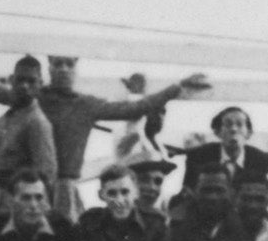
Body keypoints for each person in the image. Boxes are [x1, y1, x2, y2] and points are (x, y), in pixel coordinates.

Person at [38, 56, 210, 222]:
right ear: (49, 67)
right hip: (40, 182)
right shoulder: (36, 99)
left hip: (69, 186)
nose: (63, 69)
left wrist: (174, 89)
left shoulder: (86, 105)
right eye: (58, 63)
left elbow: (135, 110)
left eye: (69, 64)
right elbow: (133, 118)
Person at [0, 52, 60, 192]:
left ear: (40, 84)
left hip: (17, 197)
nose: (24, 86)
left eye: (31, 81)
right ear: (12, 80)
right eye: (20, 80)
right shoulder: (10, 116)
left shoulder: (37, 122)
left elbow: (46, 175)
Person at [183, 107, 268, 188]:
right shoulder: (198, 156)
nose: (233, 129)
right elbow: (188, 191)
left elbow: (260, 193)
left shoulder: (260, 159)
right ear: (217, 132)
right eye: (228, 124)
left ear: (249, 133)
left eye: (239, 124)